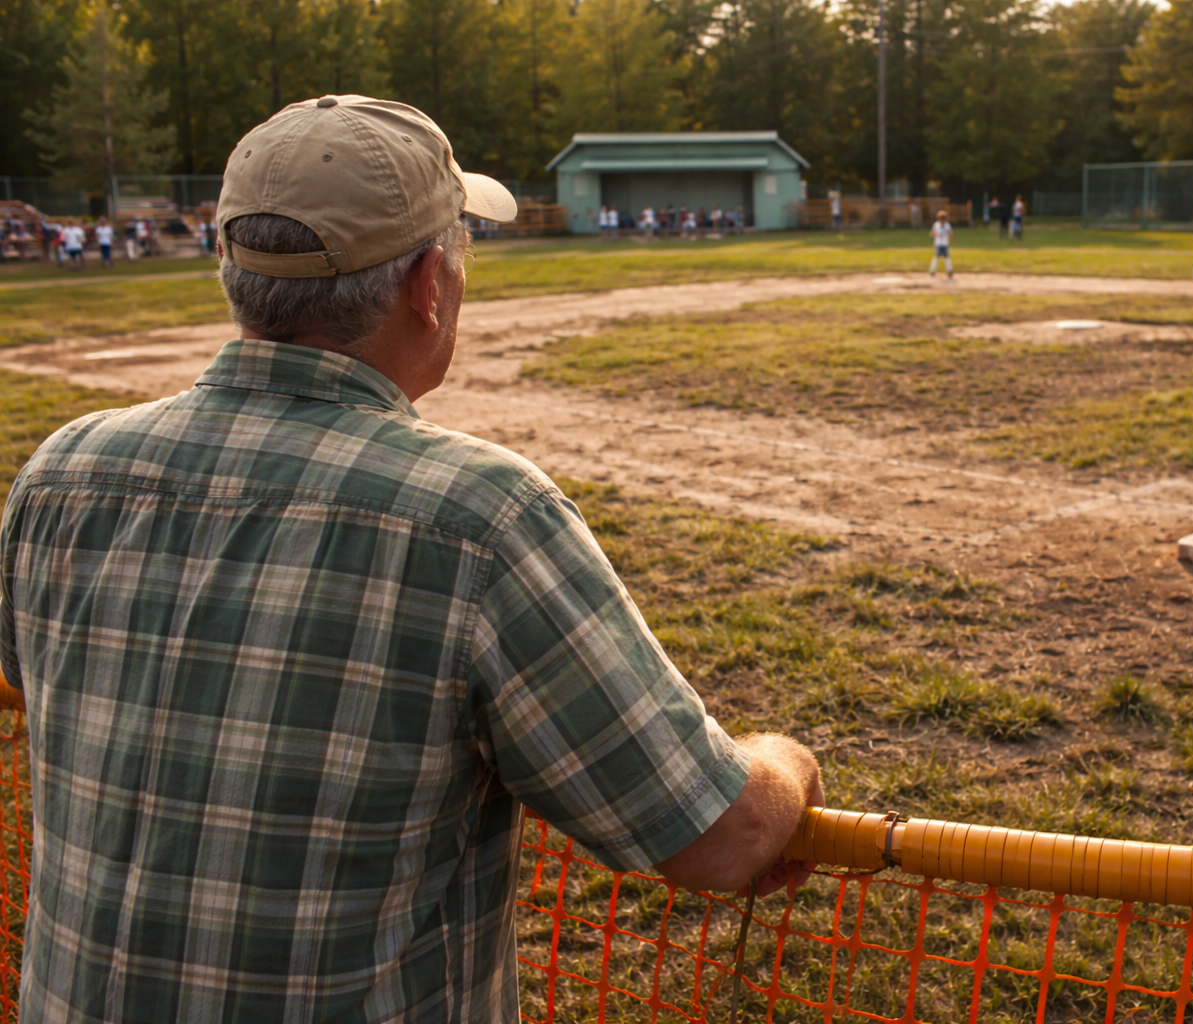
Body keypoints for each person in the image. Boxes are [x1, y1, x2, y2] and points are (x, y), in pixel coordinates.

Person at [0, 93, 822, 1024]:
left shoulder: (60, 475)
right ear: (428, 282)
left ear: (230, 267)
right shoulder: (477, 516)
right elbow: (717, 838)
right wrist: (786, 764)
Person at [929, 208, 954, 279]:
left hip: (944, 244)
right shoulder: (936, 225)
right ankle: (932, 271)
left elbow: (950, 233)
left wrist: (949, 239)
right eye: (941, 218)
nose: (943, 220)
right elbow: (931, 234)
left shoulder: (947, 225)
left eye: (944, 218)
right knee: (936, 257)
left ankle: (949, 271)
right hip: (938, 244)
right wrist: (935, 234)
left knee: (947, 257)